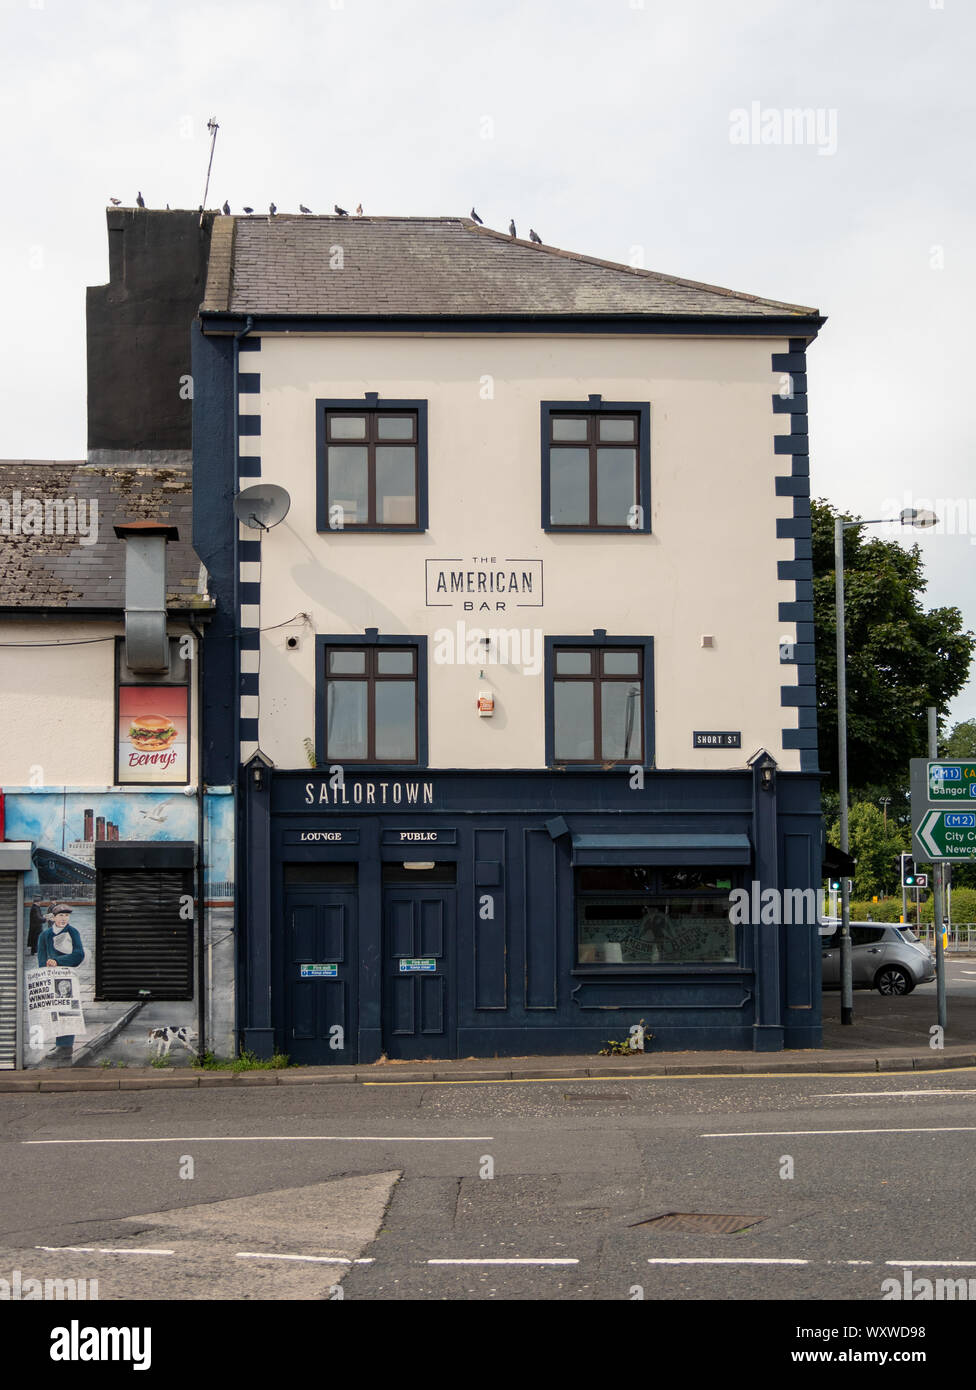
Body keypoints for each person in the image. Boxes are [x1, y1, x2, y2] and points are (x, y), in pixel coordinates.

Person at [36, 903, 84, 1065]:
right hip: (51, 978)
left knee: (67, 1011)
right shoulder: (45, 935)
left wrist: (57, 961)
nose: (64, 919)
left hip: (67, 978)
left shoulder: (72, 932)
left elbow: (79, 955)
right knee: (55, 1011)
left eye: (66, 916)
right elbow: (41, 958)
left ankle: (66, 1046)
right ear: (53, 918)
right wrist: (44, 973)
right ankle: (60, 1045)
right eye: (61, 916)